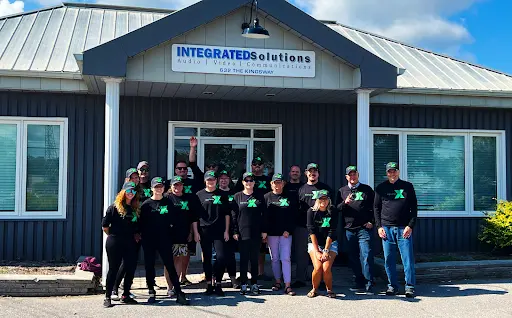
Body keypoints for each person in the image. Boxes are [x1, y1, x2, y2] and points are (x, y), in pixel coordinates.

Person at [139, 177, 189, 305]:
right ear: (151, 189)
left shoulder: (168, 203)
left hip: (165, 239)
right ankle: (151, 292)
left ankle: (178, 292)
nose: (158, 189)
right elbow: (141, 224)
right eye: (156, 187)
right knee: (149, 266)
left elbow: (174, 221)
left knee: (170, 265)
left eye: (160, 186)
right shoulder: (145, 205)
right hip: (149, 240)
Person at [374, 162, 418, 298]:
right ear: (386, 173)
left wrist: (410, 226)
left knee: (407, 260)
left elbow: (414, 208)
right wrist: (379, 227)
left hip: (403, 229)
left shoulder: (407, 187)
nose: (392, 174)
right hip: (386, 229)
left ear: (398, 172)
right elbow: (376, 208)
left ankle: (409, 287)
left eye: (394, 171)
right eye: (389, 172)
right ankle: (392, 286)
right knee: (388, 259)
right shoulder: (381, 188)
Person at [336, 165, 376, 295]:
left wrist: (372, 222)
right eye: (350, 175)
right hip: (349, 229)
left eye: (354, 174)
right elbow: (336, 209)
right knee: (353, 257)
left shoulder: (367, 190)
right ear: (346, 177)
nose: (352, 177)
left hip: (364, 228)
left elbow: (376, 207)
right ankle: (359, 282)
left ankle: (369, 284)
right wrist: (344, 203)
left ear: (358, 175)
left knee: (366, 255)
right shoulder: (342, 191)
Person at [293, 163, 333, 288]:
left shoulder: (325, 188)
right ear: (306, 173)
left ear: (318, 173)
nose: (312, 173)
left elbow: (330, 207)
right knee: (301, 254)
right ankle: (300, 279)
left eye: (315, 171)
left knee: (320, 253)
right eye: (310, 171)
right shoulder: (301, 189)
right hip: (302, 226)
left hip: (320, 228)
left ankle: (321, 280)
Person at [101, 181, 140, 308]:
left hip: (130, 241)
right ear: (123, 192)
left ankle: (126, 295)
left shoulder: (135, 208)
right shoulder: (114, 208)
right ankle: (107, 297)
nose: (131, 193)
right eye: (128, 191)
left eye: (133, 191)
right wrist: (112, 235)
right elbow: (105, 226)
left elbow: (136, 226)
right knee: (113, 268)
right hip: (115, 241)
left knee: (130, 267)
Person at [165, 160, 203, 286]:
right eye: (175, 185)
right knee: (170, 260)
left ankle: (177, 284)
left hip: (183, 234)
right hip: (169, 234)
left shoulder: (188, 198)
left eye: (179, 185)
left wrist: (193, 232)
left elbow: (192, 217)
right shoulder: (166, 199)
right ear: (170, 186)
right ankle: (170, 286)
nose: (177, 187)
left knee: (180, 258)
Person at [236, 156, 272, 280]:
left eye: (259, 164)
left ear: (263, 166)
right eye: (255, 164)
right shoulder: (241, 189)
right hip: (244, 223)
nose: (257, 166)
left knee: (259, 251)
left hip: (259, 219)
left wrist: (265, 228)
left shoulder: (267, 180)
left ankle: (259, 273)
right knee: (245, 254)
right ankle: (244, 276)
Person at [232, 172, 267, 295]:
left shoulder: (259, 196)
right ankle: (243, 284)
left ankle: (254, 284)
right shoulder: (237, 196)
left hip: (256, 232)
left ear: (254, 182)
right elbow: (234, 216)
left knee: (254, 259)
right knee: (243, 259)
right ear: (242, 182)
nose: (249, 183)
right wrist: (235, 231)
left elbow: (264, 215)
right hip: (242, 232)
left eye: (251, 180)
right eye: (246, 180)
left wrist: (264, 231)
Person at [196, 170, 231, 296]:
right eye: (208, 179)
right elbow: (196, 216)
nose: (211, 182)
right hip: (205, 230)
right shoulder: (199, 195)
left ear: (216, 181)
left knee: (221, 258)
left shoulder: (222, 194)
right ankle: (209, 284)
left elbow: (227, 214)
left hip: (219, 230)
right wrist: (196, 232)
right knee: (207, 259)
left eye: (213, 179)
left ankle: (218, 283)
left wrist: (227, 231)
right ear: (205, 181)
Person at [263, 173, 297, 296]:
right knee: (274, 259)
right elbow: (264, 217)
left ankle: (288, 285)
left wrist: (289, 229)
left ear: (283, 183)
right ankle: (278, 281)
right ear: (271, 184)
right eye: (275, 182)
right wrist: (264, 232)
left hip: (285, 234)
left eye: (279, 182)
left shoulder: (289, 197)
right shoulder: (266, 197)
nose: (277, 184)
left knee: (286, 258)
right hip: (271, 233)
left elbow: (294, 215)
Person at [112, 168, 142, 300]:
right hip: (124, 236)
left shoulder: (140, 191)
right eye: (132, 178)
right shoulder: (124, 194)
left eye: (137, 178)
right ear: (127, 180)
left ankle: (126, 290)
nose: (135, 180)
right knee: (124, 264)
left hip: (138, 232)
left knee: (132, 263)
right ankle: (114, 289)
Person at [306, 189, 339, 299]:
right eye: (321, 199)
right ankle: (314, 289)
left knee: (326, 267)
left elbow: (332, 231)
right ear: (317, 200)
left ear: (329, 200)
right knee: (318, 267)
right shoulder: (311, 212)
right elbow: (311, 232)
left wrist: (325, 250)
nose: (323, 201)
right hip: (315, 243)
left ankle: (329, 289)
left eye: (325, 199)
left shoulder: (333, 211)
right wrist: (317, 251)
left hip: (330, 243)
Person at [218, 170, 239, 288]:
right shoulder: (215, 193)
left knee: (230, 255)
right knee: (218, 256)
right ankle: (217, 279)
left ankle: (233, 278)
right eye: (221, 178)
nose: (224, 180)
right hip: (217, 228)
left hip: (232, 228)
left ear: (229, 180)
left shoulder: (234, 193)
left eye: (226, 178)